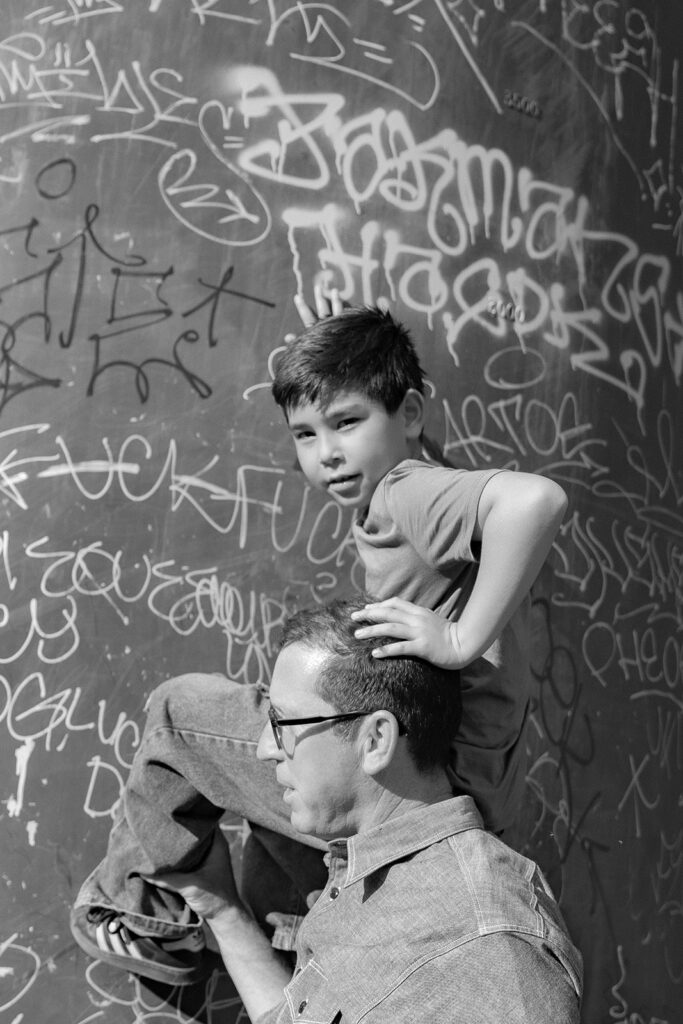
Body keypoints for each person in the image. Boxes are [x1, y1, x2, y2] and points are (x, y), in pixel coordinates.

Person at [70, 287, 568, 986]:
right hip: (467, 786)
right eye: (306, 434)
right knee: (281, 833)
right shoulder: (422, 477)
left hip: (424, 776)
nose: (327, 454)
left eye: (346, 422)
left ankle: (144, 915)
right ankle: (293, 951)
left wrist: (457, 638)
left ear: (412, 412)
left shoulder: (406, 491)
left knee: (179, 716)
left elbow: (536, 500)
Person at [152, 599, 583, 1023]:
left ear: (375, 740)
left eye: (283, 724)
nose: (266, 748)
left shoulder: (493, 950)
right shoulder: (357, 879)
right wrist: (223, 912)